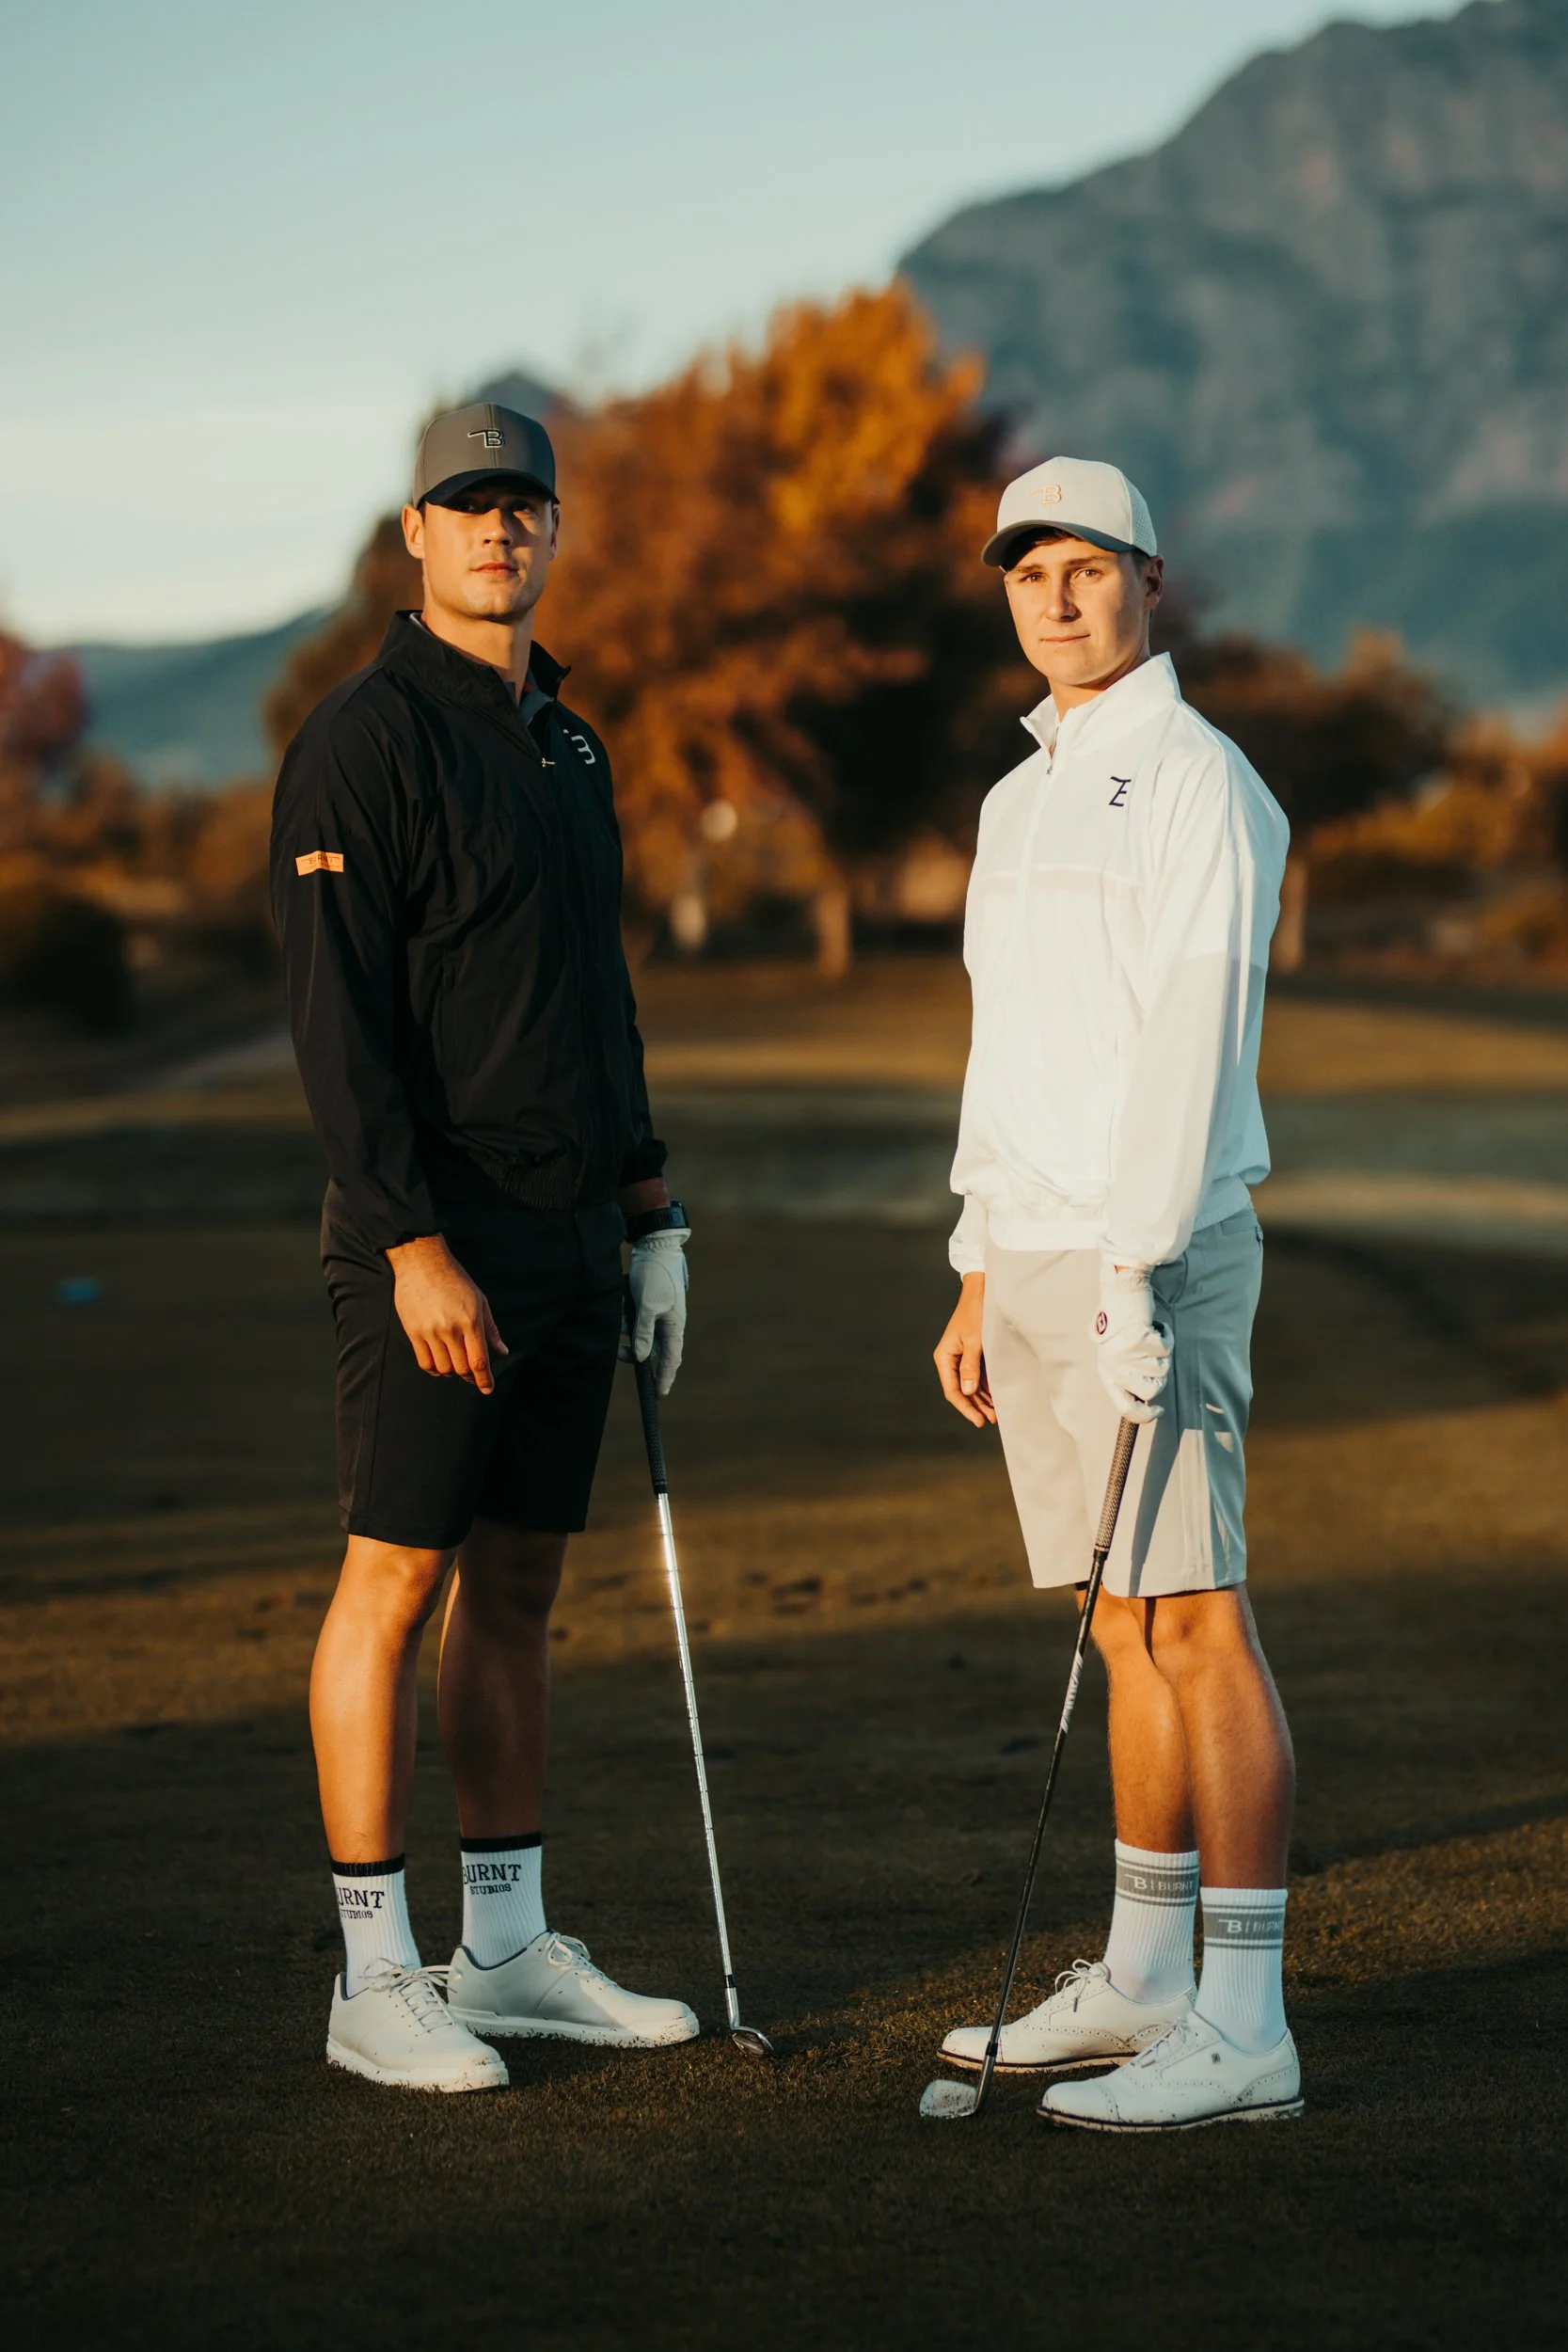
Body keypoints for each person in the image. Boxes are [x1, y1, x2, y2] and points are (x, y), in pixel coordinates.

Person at [270, 401, 696, 2093]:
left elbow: (599, 998)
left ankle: (503, 1948)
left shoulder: (569, 744)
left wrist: (650, 1206)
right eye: (468, 507)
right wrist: (409, 1243)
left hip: (574, 1237)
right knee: (393, 1582)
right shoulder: (361, 741)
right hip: (429, 1250)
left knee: (519, 1583)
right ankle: (373, 1977)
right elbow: (337, 1032)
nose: (497, 533)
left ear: (547, 532)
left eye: (521, 506)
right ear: (416, 535)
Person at [932, 457, 1299, 2130]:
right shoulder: (1017, 799)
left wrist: (1137, 1268)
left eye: (1087, 568)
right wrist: (976, 1262)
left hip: (1153, 1251)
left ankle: (1243, 2024)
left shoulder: (1198, 782)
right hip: (1041, 1252)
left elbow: (1185, 1049)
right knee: (1120, 1616)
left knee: (1196, 1616)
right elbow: (1006, 1050)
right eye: (1028, 574)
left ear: (1151, 581)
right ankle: (1143, 1979)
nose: (1056, 598)